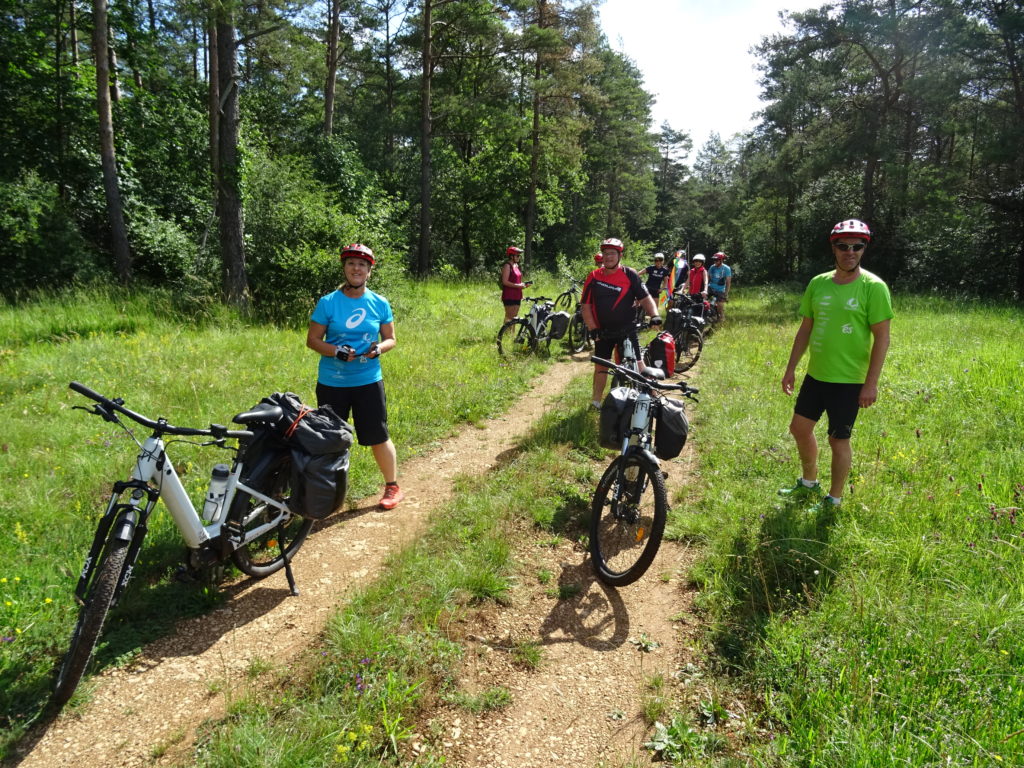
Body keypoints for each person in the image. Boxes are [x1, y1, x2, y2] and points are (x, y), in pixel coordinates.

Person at [779, 219, 893, 513]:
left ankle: (834, 499)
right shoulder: (818, 283)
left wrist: (871, 383)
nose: (850, 252)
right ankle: (808, 482)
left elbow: (882, 338)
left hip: (849, 380)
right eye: (843, 246)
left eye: (858, 246)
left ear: (864, 248)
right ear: (833, 247)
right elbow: (806, 328)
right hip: (816, 375)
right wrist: (791, 368)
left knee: (838, 439)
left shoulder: (874, 288)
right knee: (799, 429)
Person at [306, 243, 404, 510]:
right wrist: (336, 350)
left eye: (362, 265)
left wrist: (378, 348)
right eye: (351, 264)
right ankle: (326, 497)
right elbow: (313, 340)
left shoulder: (379, 302)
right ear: (344, 268)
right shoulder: (328, 302)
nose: (356, 268)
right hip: (332, 383)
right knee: (328, 439)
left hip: (368, 381)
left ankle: (392, 487)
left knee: (378, 436)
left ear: (369, 271)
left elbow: (391, 339)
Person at [581, 237, 661, 410]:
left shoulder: (629, 274)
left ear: (619, 255)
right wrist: (593, 328)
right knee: (601, 367)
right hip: (602, 332)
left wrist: (654, 315)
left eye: (612, 253)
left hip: (627, 329)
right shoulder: (593, 277)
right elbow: (585, 305)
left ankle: (654, 398)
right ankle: (595, 402)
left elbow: (645, 298)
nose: (608, 257)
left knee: (639, 364)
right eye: (605, 253)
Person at [500, 246, 530, 323]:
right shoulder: (507, 266)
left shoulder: (516, 266)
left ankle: (512, 335)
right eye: (517, 255)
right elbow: (505, 281)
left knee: (515, 318)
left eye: (519, 255)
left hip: (517, 295)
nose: (519, 257)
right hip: (509, 295)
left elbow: (517, 281)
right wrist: (518, 286)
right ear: (511, 256)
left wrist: (523, 285)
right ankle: (505, 334)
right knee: (509, 317)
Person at [708, 252, 733, 320]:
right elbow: (708, 278)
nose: (715, 261)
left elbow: (728, 282)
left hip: (720, 289)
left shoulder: (726, 268)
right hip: (710, 287)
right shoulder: (712, 267)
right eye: (714, 260)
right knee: (703, 302)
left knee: (720, 307)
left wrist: (726, 293)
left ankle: (721, 321)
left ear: (721, 260)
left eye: (717, 260)